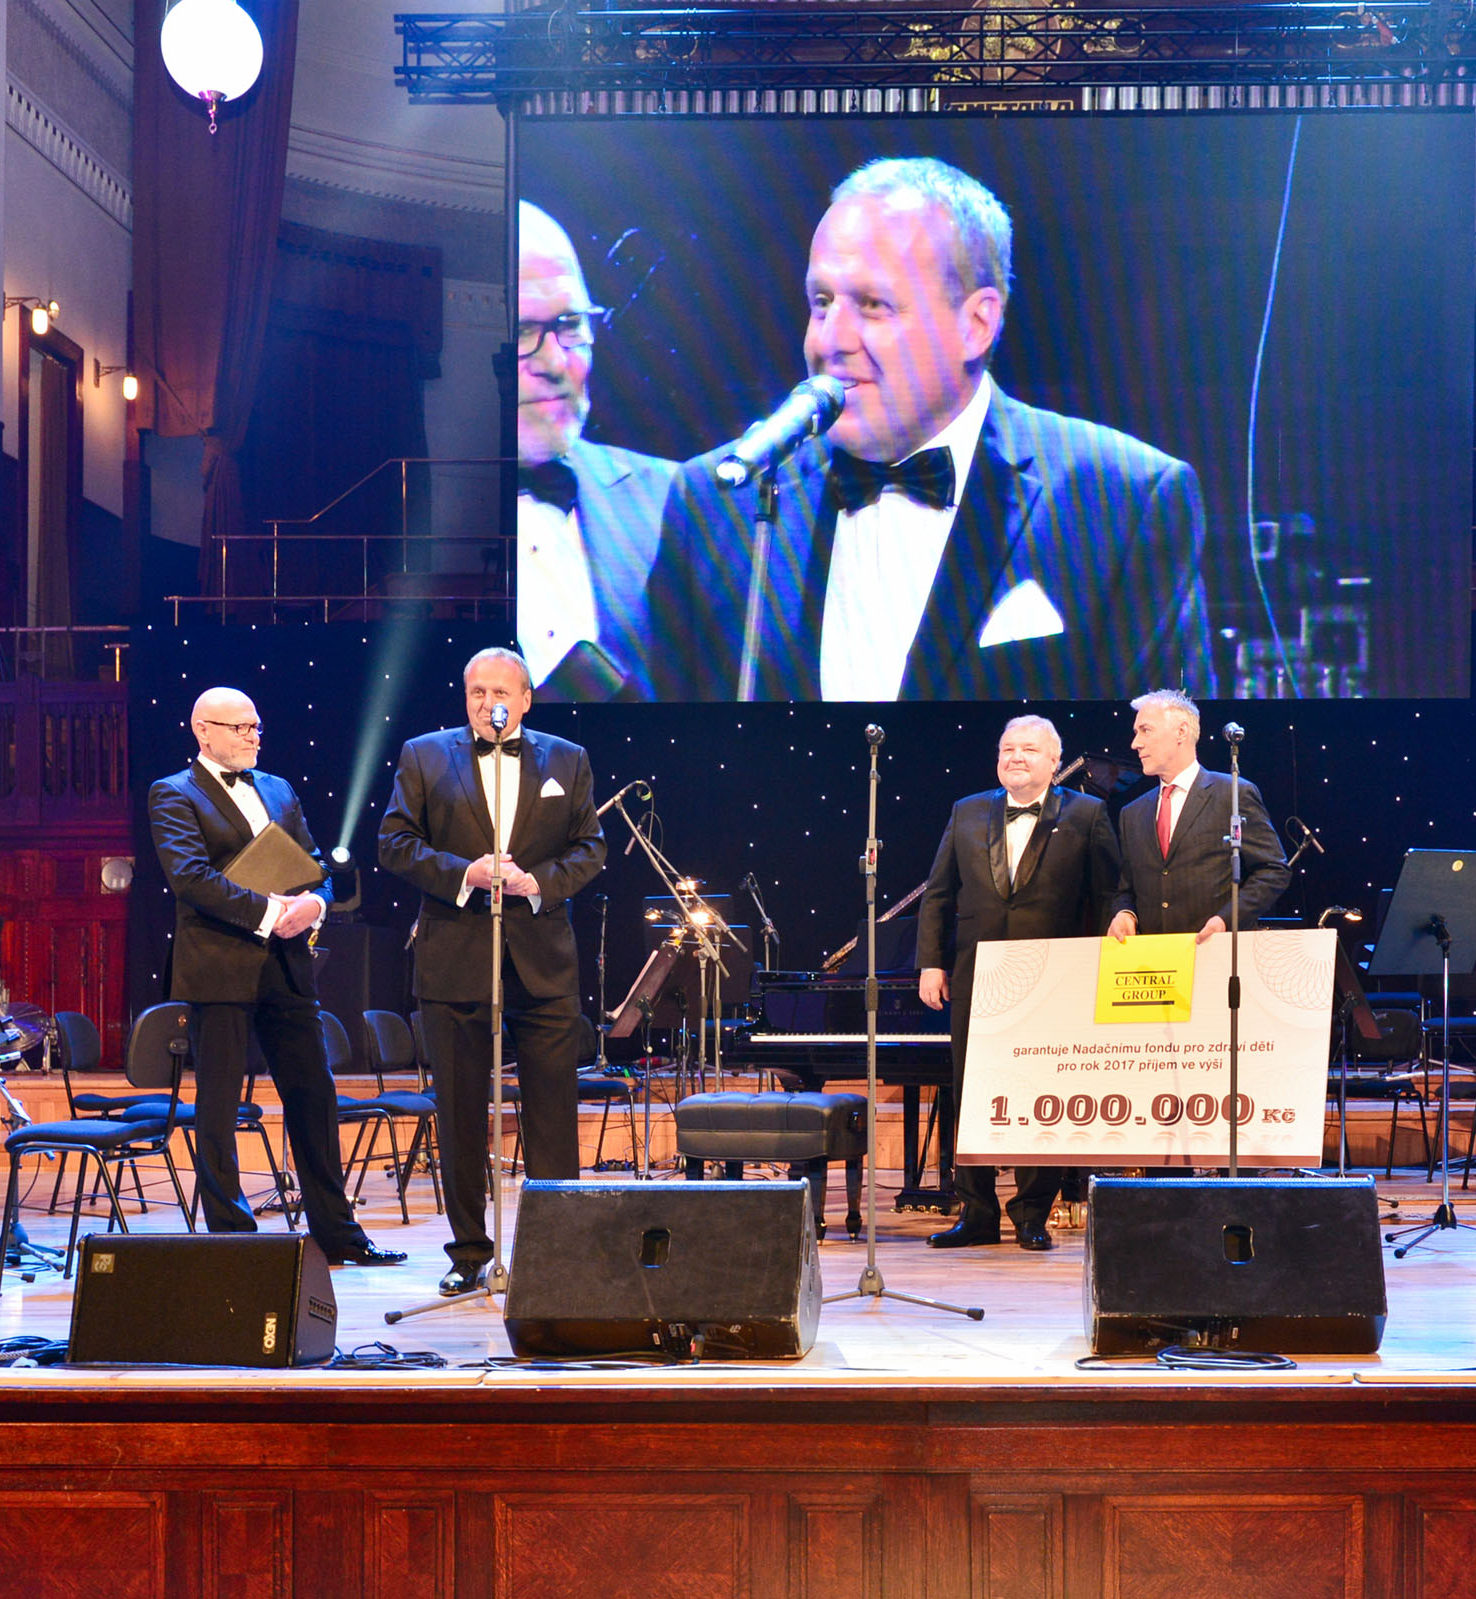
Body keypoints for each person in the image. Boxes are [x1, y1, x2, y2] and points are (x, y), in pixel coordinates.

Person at [641, 156, 1210, 703]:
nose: (829, 339)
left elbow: (1166, 752)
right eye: (822, 302)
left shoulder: (1120, 501)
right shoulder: (718, 501)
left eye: (873, 304)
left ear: (976, 325)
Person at [377, 647, 607, 1295]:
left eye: (500, 691)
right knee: (458, 1113)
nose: (487, 702)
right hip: (455, 960)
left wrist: (539, 883)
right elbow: (394, 843)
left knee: (553, 1112)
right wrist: (464, 874)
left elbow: (591, 847)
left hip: (543, 961)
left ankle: (557, 1251)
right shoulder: (425, 754)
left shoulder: (567, 759)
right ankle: (468, 1252)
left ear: (526, 700)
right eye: (477, 691)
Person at [146, 687, 403, 1266]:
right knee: (219, 1106)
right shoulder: (173, 791)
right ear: (202, 730)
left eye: (256, 726)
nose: (252, 737)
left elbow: (316, 867)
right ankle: (233, 1240)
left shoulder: (278, 788)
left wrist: (314, 905)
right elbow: (191, 878)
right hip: (219, 968)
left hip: (287, 965)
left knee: (314, 1096)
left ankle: (339, 1234)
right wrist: (269, 912)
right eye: (239, 728)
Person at [916, 716, 1121, 1250]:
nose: (1016, 757)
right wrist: (931, 963)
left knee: (1041, 1089)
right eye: (1008, 748)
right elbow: (938, 893)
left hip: (1055, 976)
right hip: (976, 974)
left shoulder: (1088, 814)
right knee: (971, 1089)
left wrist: (1102, 969)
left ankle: (1032, 1214)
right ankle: (976, 1213)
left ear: (1055, 761)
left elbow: (1108, 896)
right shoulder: (966, 810)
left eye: (1029, 749)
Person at [516, 200, 675, 703]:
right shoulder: (396, 534)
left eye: (570, 325)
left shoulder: (677, 500)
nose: (554, 362)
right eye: (520, 332)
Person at [1107, 689, 1290, 942]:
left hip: (1216, 952)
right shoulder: (1132, 813)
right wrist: (1125, 914)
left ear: (1181, 732)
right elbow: (1126, 889)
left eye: (1145, 730)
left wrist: (1226, 920)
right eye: (1136, 732)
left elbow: (1273, 870)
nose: (1135, 743)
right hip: (1153, 958)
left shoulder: (1232, 793)